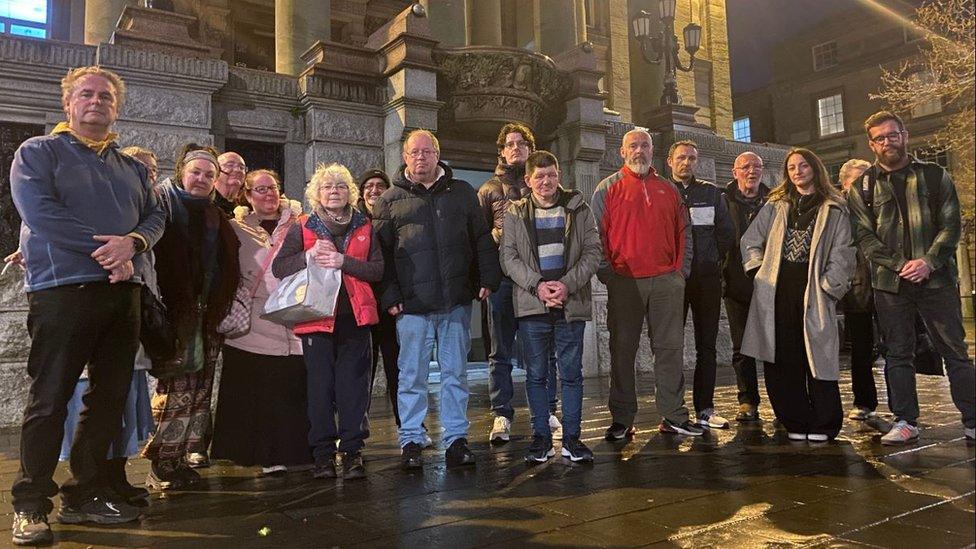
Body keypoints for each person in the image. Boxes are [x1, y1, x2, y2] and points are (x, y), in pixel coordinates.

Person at [9, 66, 164, 544]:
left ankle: (86, 493)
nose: (96, 102)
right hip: (63, 290)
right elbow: (41, 213)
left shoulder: (132, 167)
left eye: (106, 97)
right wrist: (110, 253)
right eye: (87, 94)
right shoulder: (37, 152)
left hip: (123, 293)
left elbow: (156, 215)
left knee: (108, 399)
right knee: (50, 397)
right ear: (68, 103)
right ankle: (30, 503)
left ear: (116, 107)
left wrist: (134, 243)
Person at [372, 129, 500, 470]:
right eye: (414, 152)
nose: (420, 158)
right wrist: (390, 297)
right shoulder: (388, 199)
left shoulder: (462, 193)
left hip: (455, 301)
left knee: (455, 375)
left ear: (437, 154)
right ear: (404, 157)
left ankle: (456, 439)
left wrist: (488, 278)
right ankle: (411, 439)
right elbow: (380, 255)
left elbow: (481, 239)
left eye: (427, 152)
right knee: (410, 375)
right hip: (411, 307)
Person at [847, 111, 975, 444]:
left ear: (904, 135)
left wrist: (928, 262)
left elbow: (951, 227)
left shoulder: (935, 175)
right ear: (872, 144)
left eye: (892, 135)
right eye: (879, 138)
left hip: (937, 281)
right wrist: (901, 264)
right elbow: (863, 236)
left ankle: (973, 419)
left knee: (955, 352)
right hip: (891, 284)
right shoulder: (863, 186)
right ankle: (905, 420)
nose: (887, 142)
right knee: (898, 353)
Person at [54, 146, 161, 508]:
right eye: (142, 170)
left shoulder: (145, 216)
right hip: (97, 310)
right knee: (97, 404)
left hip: (131, 315)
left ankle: (115, 478)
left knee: (124, 406)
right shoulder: (110, 211)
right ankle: (88, 483)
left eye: (152, 171)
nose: (148, 176)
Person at [273, 163, 383, 480]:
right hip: (316, 319)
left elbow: (377, 270)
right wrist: (307, 257)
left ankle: (352, 452)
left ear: (349, 192)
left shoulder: (365, 225)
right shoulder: (303, 225)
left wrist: (343, 262)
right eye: (327, 186)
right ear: (316, 193)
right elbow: (280, 267)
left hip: (356, 319)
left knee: (353, 390)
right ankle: (322, 454)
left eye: (340, 186)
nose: (333, 191)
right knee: (319, 389)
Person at [591, 129, 703, 439]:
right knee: (622, 352)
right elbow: (595, 236)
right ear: (622, 153)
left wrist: (680, 273)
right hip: (624, 282)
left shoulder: (669, 190)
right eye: (633, 146)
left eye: (644, 145)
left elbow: (685, 234)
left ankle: (673, 415)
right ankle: (623, 418)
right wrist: (609, 274)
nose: (639, 151)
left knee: (669, 349)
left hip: (666, 282)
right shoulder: (607, 189)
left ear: (652, 151)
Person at [141, 144, 240, 490]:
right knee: (175, 388)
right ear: (182, 171)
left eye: (209, 175)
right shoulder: (163, 205)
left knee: (199, 390)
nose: (201, 179)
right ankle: (161, 464)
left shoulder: (213, 214)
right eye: (196, 172)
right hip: (173, 313)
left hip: (207, 314)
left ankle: (181, 458)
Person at [740, 148, 855, 442]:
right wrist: (758, 273)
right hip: (777, 290)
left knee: (816, 355)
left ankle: (825, 422)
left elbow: (844, 253)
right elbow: (750, 240)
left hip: (814, 289)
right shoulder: (776, 205)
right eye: (791, 167)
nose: (797, 171)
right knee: (781, 356)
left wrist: (830, 287)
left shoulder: (834, 207)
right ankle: (794, 418)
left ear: (815, 168)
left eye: (803, 165)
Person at [500, 151, 601, 463]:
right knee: (537, 375)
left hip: (570, 303)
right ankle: (541, 438)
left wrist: (566, 285)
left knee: (572, 374)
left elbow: (593, 252)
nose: (546, 181)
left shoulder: (579, 208)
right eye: (539, 177)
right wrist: (539, 285)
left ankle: (572, 438)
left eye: (551, 175)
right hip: (533, 305)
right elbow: (509, 257)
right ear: (529, 181)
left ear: (559, 175)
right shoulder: (515, 211)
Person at [211, 169, 313, 476]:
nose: (268, 194)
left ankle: (296, 451)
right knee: (257, 391)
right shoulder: (233, 227)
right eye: (260, 190)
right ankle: (260, 453)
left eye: (273, 188)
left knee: (291, 388)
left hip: (293, 318)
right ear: (247, 195)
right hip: (251, 322)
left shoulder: (301, 222)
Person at [478, 123, 560, 444]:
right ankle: (501, 413)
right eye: (509, 144)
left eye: (521, 143)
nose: (515, 148)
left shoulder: (540, 184)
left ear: (529, 148)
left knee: (543, 348)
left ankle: (548, 408)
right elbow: (481, 241)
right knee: (500, 351)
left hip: (537, 282)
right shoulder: (488, 190)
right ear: (502, 151)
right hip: (501, 283)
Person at [668, 140, 735, 430]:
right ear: (670, 161)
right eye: (681, 157)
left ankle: (705, 408)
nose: (687, 163)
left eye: (692, 158)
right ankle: (671, 409)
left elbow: (726, 232)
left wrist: (712, 262)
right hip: (672, 280)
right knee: (670, 346)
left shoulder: (711, 193)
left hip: (705, 279)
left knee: (706, 346)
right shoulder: (662, 192)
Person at [722, 152, 769, 423]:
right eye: (746, 167)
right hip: (736, 284)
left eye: (757, 166)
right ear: (734, 171)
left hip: (769, 283)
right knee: (741, 348)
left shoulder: (774, 201)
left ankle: (783, 401)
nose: (752, 171)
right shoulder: (722, 202)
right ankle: (748, 401)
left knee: (775, 346)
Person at [357, 168, 402, 427]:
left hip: (392, 306)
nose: (374, 191)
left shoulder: (396, 217)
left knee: (399, 368)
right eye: (368, 187)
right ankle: (356, 426)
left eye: (379, 186)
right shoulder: (354, 221)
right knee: (363, 371)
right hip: (363, 306)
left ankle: (407, 423)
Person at [837, 158, 879, 421]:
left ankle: (903, 407)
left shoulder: (881, 202)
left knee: (896, 346)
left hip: (886, 279)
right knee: (861, 347)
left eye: (867, 177)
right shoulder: (839, 208)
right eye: (857, 179)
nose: (864, 184)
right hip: (856, 282)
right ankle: (864, 401)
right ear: (844, 183)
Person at [214, 151, 247, 218]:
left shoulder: (247, 205)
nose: (237, 170)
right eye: (230, 165)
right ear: (216, 169)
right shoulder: (206, 203)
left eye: (242, 167)